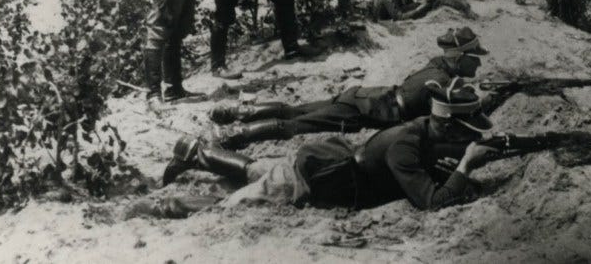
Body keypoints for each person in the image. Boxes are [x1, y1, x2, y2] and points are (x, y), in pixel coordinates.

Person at [129, 78, 496, 218]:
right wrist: (465, 165)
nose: (467, 141)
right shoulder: (407, 145)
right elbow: (432, 202)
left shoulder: (422, 131)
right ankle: (161, 206)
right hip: (313, 180)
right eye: (463, 134)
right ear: (446, 124)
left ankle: (196, 151)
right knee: (233, 204)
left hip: (321, 165)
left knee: (256, 170)